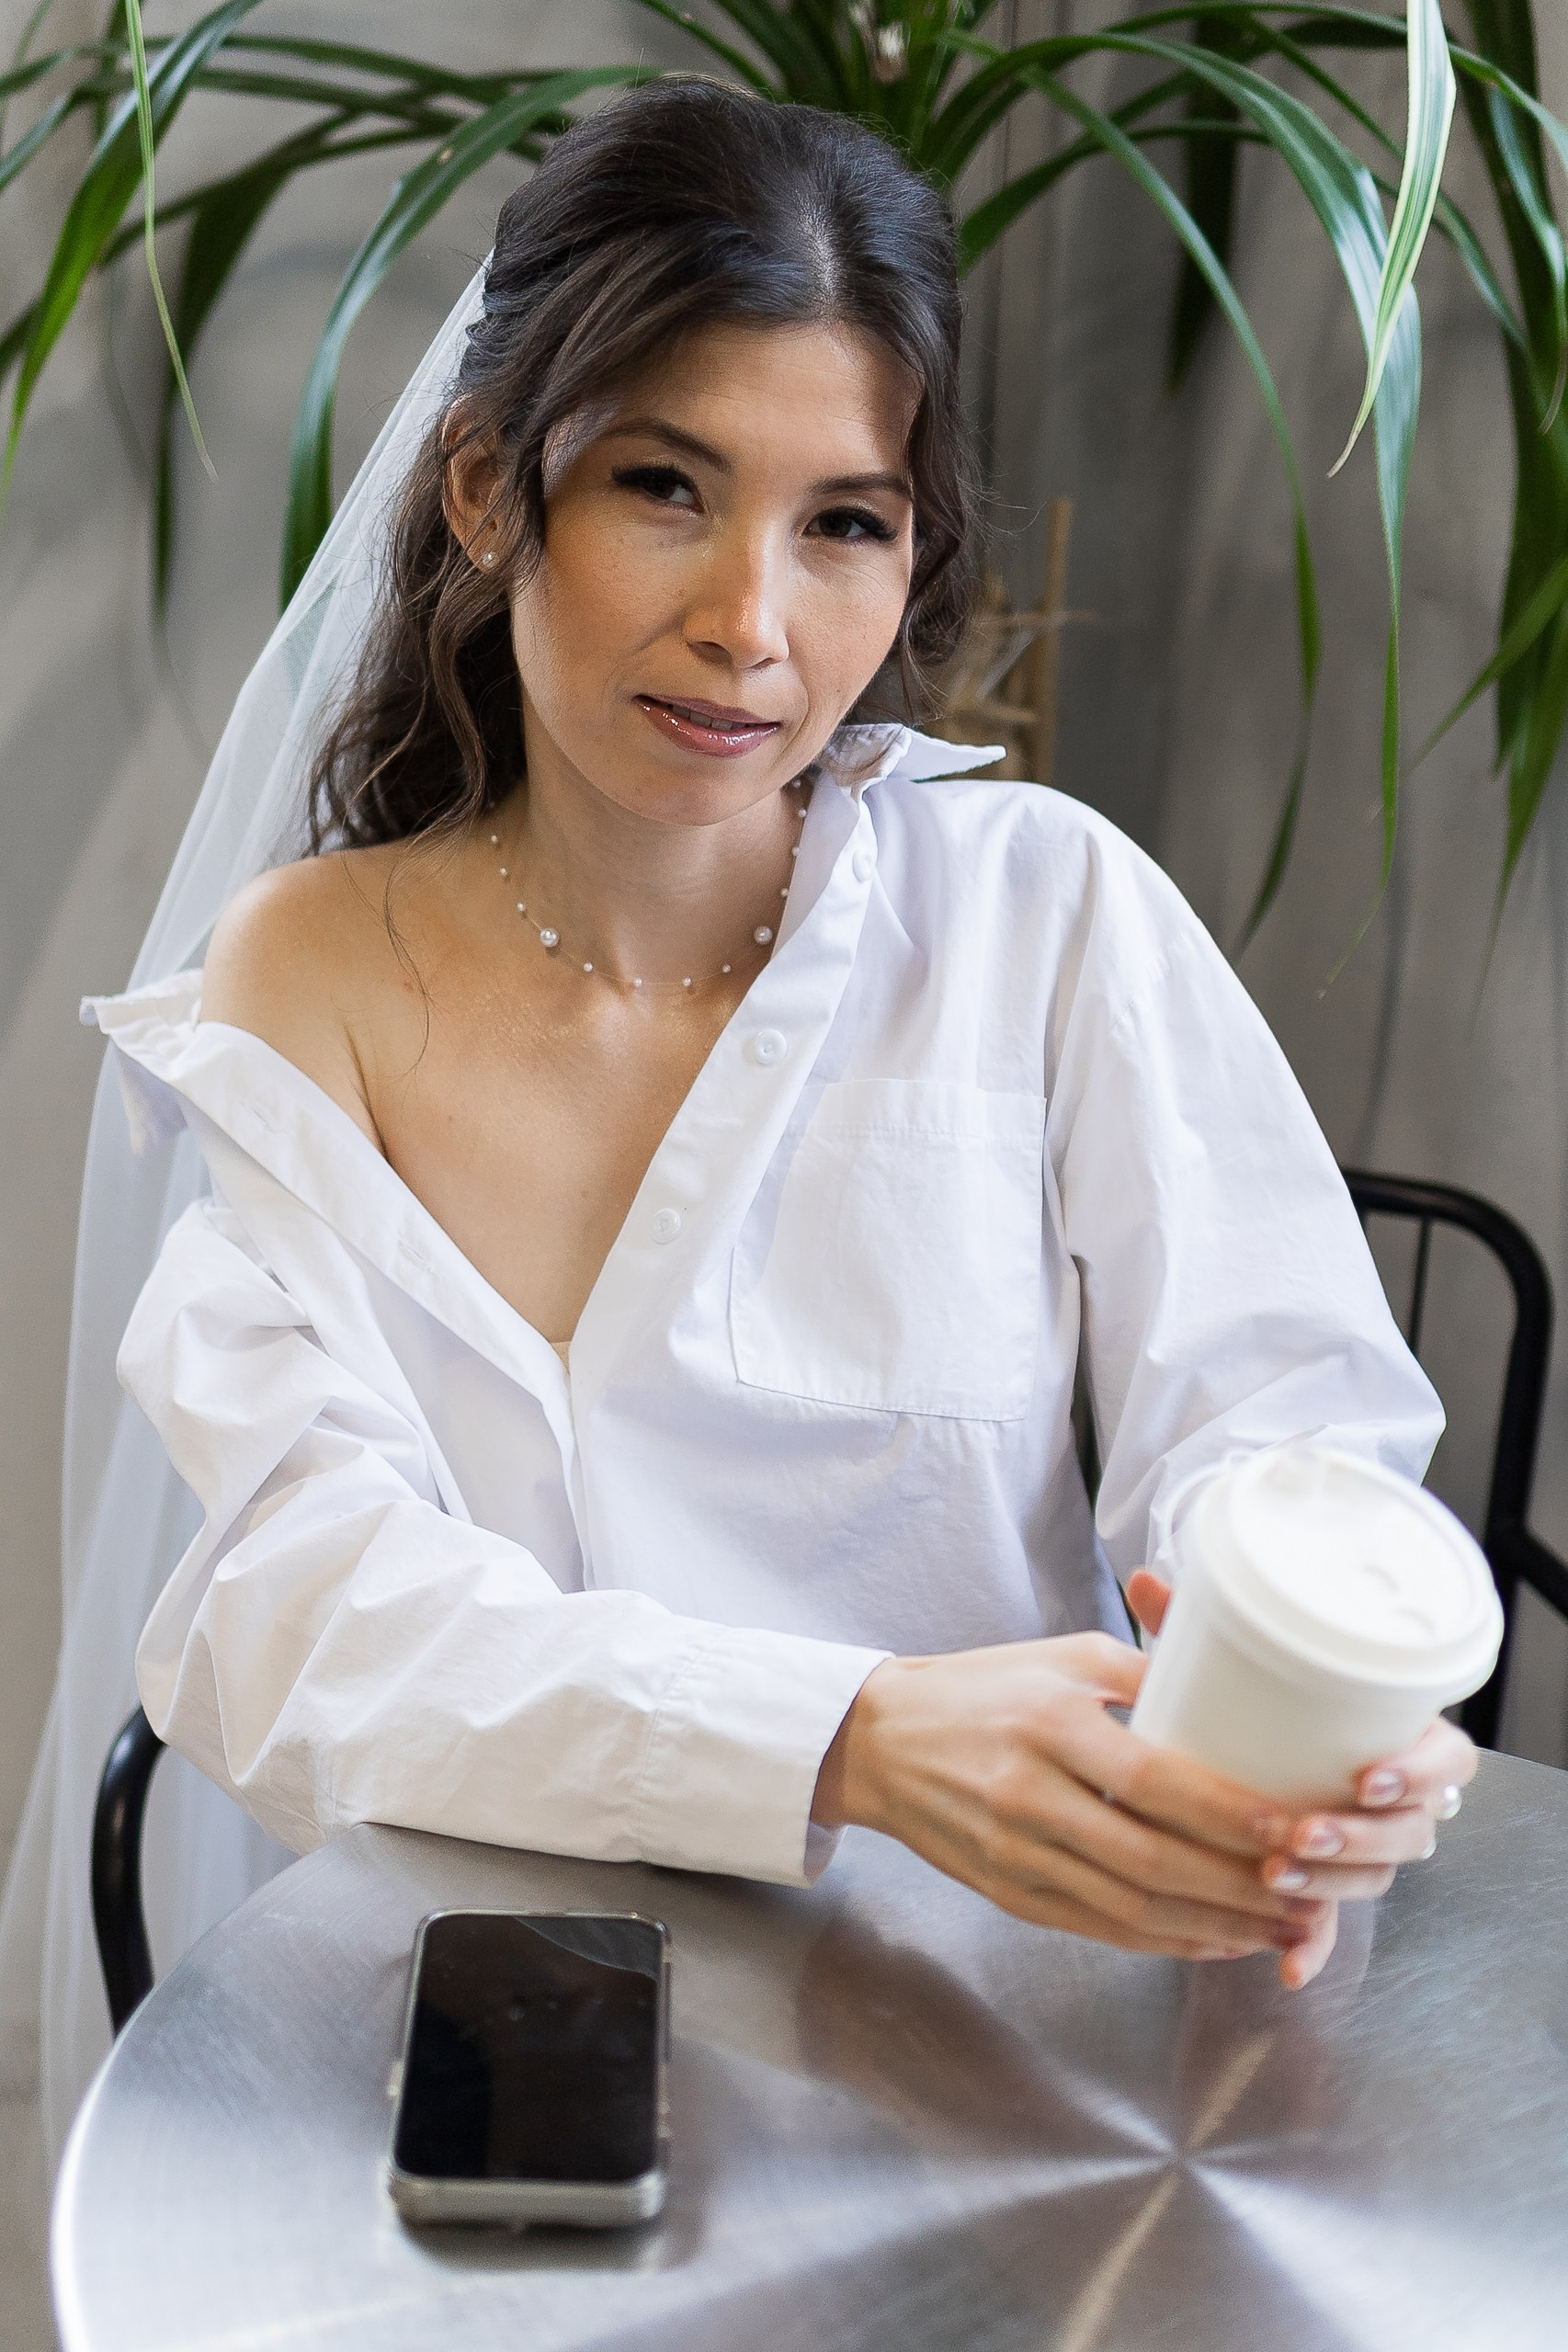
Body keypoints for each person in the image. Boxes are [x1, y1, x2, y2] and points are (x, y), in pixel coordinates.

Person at [22, 79, 1471, 2123]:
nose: (751, 626)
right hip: (493, 2044)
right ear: (485, 487)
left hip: (1016, 2028)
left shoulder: (1043, 914)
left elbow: (1280, 1422)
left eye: (844, 523)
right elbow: (308, 1613)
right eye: (663, 486)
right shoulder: (307, 975)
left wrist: (1309, 1681)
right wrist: (848, 1737)